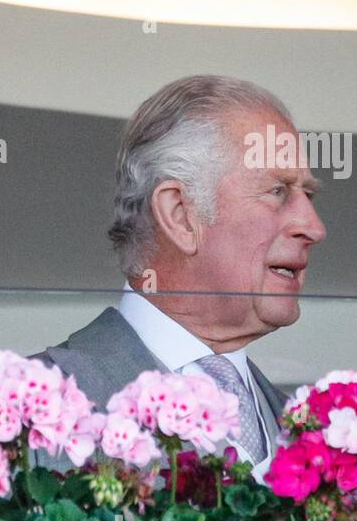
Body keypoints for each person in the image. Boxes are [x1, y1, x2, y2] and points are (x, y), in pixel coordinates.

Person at [31, 75, 327, 482]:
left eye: (308, 196)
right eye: (278, 191)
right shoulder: (38, 406)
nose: (313, 227)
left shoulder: (303, 430)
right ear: (180, 215)